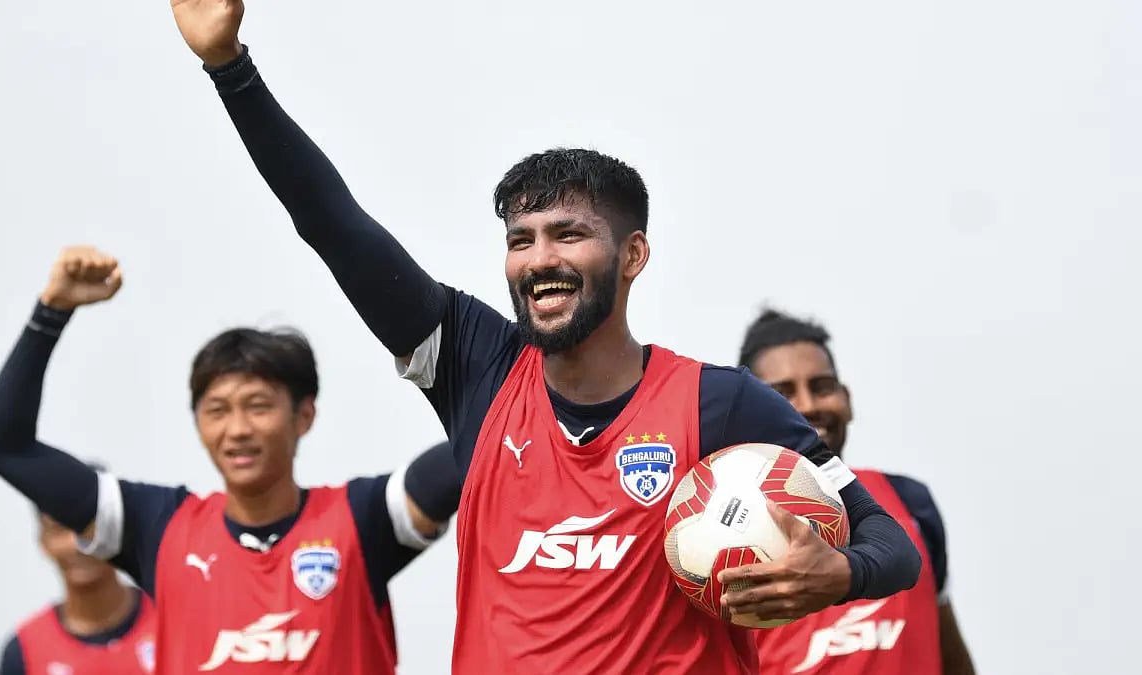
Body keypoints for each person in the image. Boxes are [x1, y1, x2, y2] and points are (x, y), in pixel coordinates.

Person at [169, 4, 922, 673]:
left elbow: (892, 541)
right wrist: (230, 69)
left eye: (569, 234)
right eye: (520, 238)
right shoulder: (475, 368)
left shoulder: (719, 403)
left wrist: (842, 573)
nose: (540, 260)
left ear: (632, 255)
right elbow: (332, 224)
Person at [0, 245, 463, 674]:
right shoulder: (157, 528)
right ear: (198, 423)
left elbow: (481, 441)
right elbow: (4, 445)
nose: (237, 429)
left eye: (258, 406)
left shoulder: (362, 518)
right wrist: (51, 311)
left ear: (304, 415)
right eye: (216, 410)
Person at [738, 308, 977, 675]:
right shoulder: (725, 528)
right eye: (782, 394)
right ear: (752, 412)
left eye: (822, 387)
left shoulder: (910, 502)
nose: (808, 405)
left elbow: (947, 650)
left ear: (846, 398)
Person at [0, 464, 157, 675]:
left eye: (88, 525)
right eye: (59, 528)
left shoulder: (172, 621)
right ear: (43, 541)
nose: (76, 544)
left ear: (119, 528)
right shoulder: (24, 652)